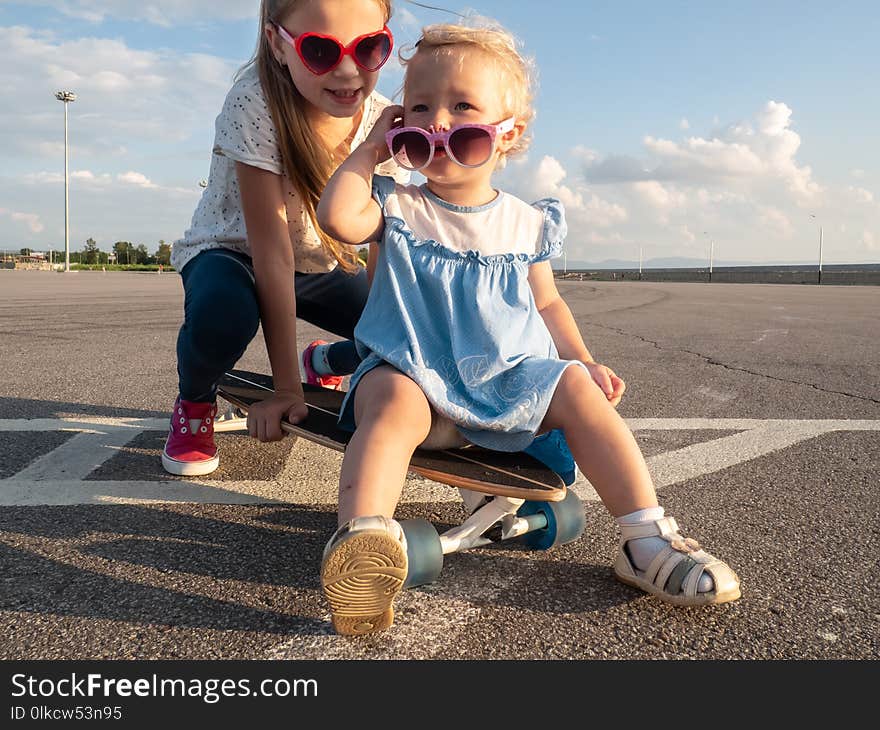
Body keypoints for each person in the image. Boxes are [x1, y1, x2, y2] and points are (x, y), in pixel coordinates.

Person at [315, 21, 741, 635]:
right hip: (417, 372)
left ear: (507, 132)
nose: (437, 121)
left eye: (462, 106)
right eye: (418, 107)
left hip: (504, 379)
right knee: (388, 399)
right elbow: (338, 217)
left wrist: (583, 360)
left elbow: (548, 305)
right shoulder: (398, 203)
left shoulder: (524, 222)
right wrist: (367, 151)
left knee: (577, 390)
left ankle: (645, 539)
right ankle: (363, 544)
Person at [163, 0, 408, 476]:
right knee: (224, 315)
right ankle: (194, 403)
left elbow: (382, 239)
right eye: (320, 50)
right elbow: (270, 252)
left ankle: (327, 359)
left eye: (369, 48)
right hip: (233, 252)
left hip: (316, 264)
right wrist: (286, 389)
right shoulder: (254, 102)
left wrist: (387, 332)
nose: (347, 71)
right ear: (278, 43)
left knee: (405, 330)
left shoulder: (381, 119)